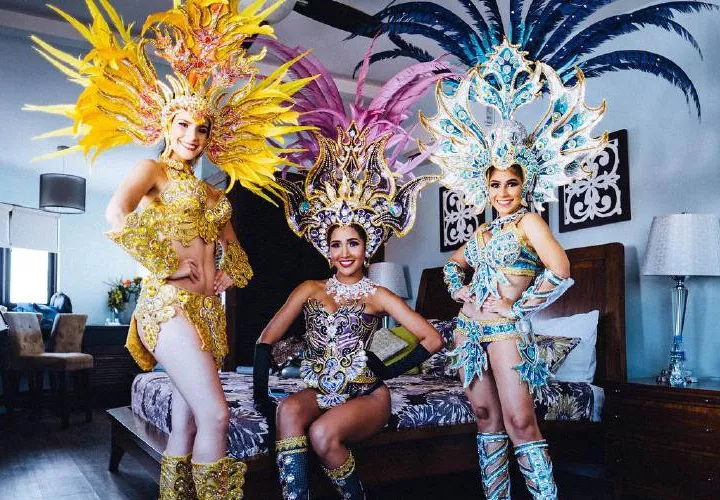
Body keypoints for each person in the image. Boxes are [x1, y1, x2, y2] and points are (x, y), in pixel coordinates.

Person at [25, 1, 314, 498]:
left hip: (208, 313)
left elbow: (235, 252)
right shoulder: (152, 170)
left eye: (202, 129)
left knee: (187, 423)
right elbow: (115, 213)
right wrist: (166, 265)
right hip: (169, 306)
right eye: (183, 125)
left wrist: (228, 272)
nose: (192, 136)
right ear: (167, 125)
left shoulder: (214, 194)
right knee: (217, 414)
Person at [249, 41, 448, 500]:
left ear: (366, 247)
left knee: (323, 436)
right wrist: (261, 395)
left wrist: (379, 366)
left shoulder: (379, 295)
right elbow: (265, 340)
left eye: (353, 244)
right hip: (319, 387)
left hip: (367, 396)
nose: (344, 253)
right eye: (336, 244)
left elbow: (432, 339)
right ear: (327, 248)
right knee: (287, 413)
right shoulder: (309, 288)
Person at [421, 40, 609, 499]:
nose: (502, 192)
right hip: (468, 331)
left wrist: (517, 306)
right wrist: (459, 290)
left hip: (505, 330)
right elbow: (452, 265)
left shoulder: (529, 222)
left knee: (520, 421)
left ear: (525, 183)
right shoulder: (484, 232)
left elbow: (561, 269)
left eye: (510, 183)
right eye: (495, 184)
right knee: (485, 419)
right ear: (485, 187)